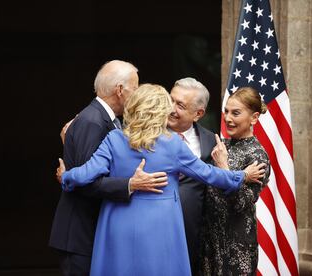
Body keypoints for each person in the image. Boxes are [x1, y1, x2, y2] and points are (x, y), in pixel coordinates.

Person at [56, 84, 267, 276]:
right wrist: (243, 175)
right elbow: (210, 174)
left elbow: (86, 174)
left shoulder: (114, 139)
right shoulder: (172, 144)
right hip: (160, 226)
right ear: (161, 112)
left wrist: (65, 176)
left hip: (118, 221)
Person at [49, 60, 168, 276]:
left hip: (91, 229)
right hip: (80, 234)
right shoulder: (92, 121)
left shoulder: (109, 120)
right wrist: (131, 184)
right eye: (136, 87)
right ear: (120, 90)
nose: (138, 94)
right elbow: (86, 182)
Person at [200, 87, 271, 275]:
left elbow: (240, 203)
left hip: (236, 247)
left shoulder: (257, 156)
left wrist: (223, 167)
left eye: (236, 113)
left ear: (254, 118)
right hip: (210, 243)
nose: (228, 118)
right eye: (226, 111)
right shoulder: (222, 145)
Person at [167, 77, 219, 274]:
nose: (171, 108)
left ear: (198, 114)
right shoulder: (147, 134)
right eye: (170, 100)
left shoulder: (210, 141)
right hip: (152, 230)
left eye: (180, 105)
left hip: (191, 237)